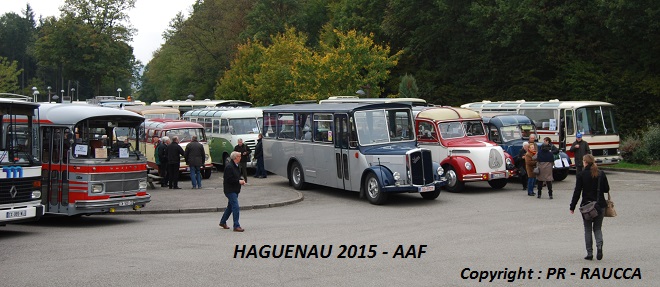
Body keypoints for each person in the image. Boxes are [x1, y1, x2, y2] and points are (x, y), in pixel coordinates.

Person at [570, 154, 610, 261]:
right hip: (599, 205)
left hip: (587, 206)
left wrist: (572, 206)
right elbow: (606, 189)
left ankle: (589, 253)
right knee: (597, 228)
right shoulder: (601, 173)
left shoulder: (581, 174)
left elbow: (577, 192)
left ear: (585, 162)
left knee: (587, 229)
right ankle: (599, 246)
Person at [220, 151, 246, 232]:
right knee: (235, 206)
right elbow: (229, 179)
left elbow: (237, 176)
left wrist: (241, 179)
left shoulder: (237, 166)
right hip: (230, 190)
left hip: (235, 189)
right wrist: (239, 181)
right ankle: (236, 225)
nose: (240, 158)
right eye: (239, 156)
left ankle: (223, 222)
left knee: (230, 207)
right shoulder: (229, 167)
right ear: (235, 158)